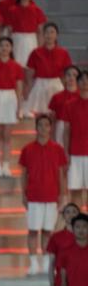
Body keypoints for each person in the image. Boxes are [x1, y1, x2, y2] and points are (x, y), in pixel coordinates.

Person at [19, 115, 69, 275]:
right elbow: (24, 174)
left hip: (52, 196)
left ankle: (47, 263)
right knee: (33, 230)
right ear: (36, 127)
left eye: (46, 125)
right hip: (34, 196)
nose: (43, 128)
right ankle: (34, 264)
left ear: (50, 128)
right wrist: (23, 194)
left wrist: (62, 194)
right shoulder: (27, 149)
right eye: (40, 125)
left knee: (48, 231)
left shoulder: (58, 149)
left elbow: (61, 174)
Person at [0, 36, 25, 176]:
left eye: (7, 45)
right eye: (1, 45)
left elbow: (19, 88)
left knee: (7, 135)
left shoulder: (17, 67)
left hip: (10, 98)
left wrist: (19, 107)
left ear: (11, 48)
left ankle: (6, 165)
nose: (4, 48)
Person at [62, 71, 88, 212]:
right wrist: (66, 152)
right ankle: (79, 220)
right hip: (75, 153)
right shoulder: (69, 105)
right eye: (82, 80)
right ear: (77, 83)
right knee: (75, 190)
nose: (85, 83)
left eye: (87, 80)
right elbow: (66, 131)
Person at [3, 0, 45, 67]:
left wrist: (40, 49)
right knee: (16, 65)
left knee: (31, 65)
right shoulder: (12, 10)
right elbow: (9, 32)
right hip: (16, 41)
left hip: (32, 41)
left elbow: (40, 32)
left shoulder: (37, 10)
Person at [49, 65, 81, 146]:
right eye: (68, 75)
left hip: (80, 127)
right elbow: (52, 119)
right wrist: (52, 135)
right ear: (64, 77)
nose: (71, 77)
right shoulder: (56, 97)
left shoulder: (83, 96)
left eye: (74, 75)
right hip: (60, 128)